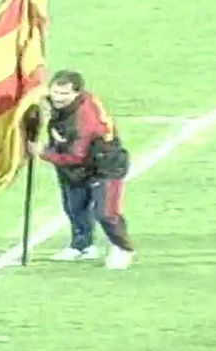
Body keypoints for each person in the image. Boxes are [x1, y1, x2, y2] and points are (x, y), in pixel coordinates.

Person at [27, 70, 135, 270]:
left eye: (64, 94)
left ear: (77, 93)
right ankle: (82, 246)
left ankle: (123, 248)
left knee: (105, 212)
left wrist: (42, 153)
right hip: (75, 166)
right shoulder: (64, 104)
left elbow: (76, 156)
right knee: (74, 207)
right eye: (55, 92)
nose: (58, 98)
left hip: (104, 166)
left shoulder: (84, 121)